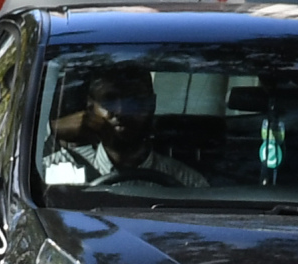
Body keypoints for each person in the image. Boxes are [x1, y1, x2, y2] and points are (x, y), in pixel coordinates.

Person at [41, 69, 209, 188]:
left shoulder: (187, 183)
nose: (121, 112)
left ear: (152, 104)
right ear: (90, 106)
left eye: (134, 102)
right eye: (109, 101)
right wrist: (50, 129)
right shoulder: (55, 168)